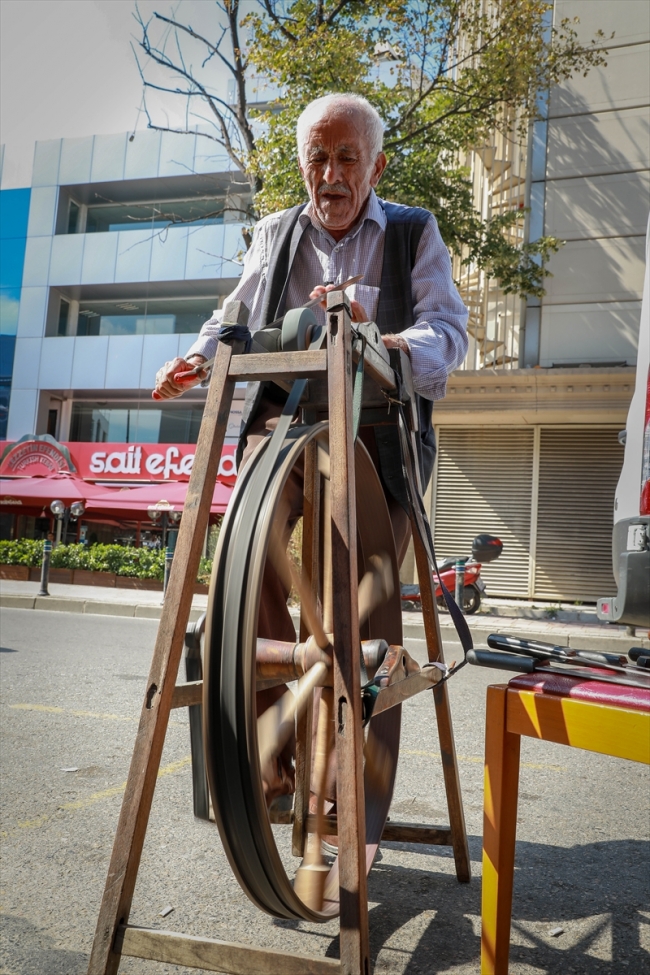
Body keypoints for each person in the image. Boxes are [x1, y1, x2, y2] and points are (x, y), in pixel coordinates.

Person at [153, 92, 468, 801]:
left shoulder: (416, 233)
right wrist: (197, 359)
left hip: (378, 437)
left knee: (345, 580)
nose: (330, 174)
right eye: (317, 159)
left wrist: (375, 334)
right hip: (287, 424)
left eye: (346, 158)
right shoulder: (275, 232)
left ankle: (337, 775)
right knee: (250, 549)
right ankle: (268, 762)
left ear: (376, 165)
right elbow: (234, 314)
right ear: (302, 166)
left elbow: (448, 338)